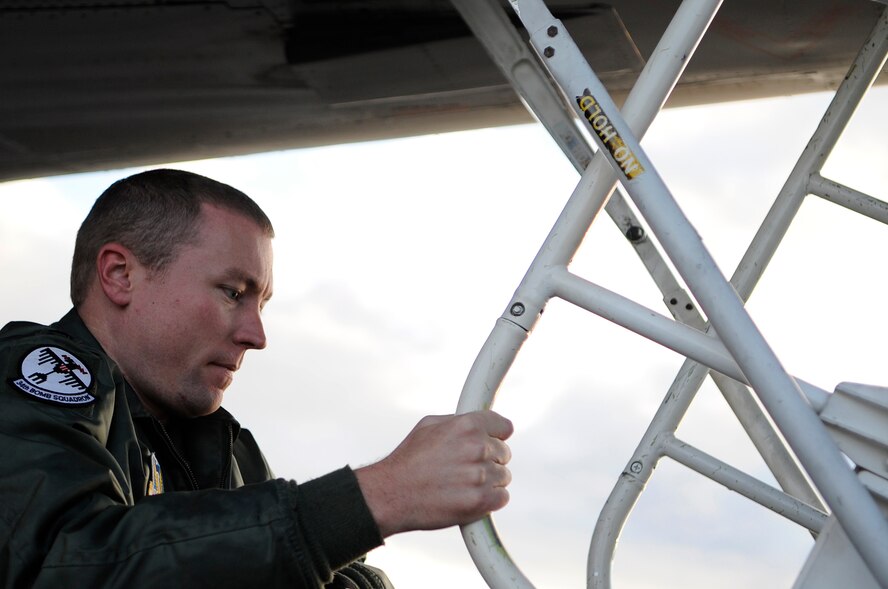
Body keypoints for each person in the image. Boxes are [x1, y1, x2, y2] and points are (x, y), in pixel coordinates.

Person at [0, 169, 513, 588]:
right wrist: (379, 496)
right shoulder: (39, 375)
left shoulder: (223, 447)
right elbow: (60, 565)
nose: (256, 334)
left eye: (261, 303)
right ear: (119, 274)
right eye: (232, 292)